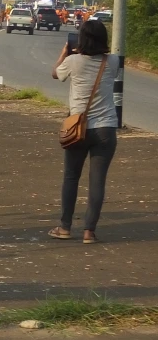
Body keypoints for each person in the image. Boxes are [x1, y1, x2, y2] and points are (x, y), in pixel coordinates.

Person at [49, 20, 121, 245]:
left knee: (71, 177)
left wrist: (64, 53)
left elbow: (55, 74)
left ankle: (65, 227)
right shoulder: (113, 61)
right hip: (106, 129)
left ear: (81, 39)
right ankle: (89, 231)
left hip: (77, 128)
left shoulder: (72, 61)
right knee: (97, 181)